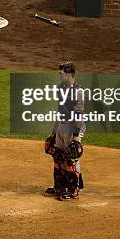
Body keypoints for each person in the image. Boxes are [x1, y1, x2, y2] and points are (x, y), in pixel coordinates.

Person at [45, 61, 85, 201]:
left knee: (71, 158)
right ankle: (60, 187)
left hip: (72, 126)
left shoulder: (78, 91)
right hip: (62, 124)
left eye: (61, 73)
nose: (59, 75)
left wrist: (75, 137)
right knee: (58, 155)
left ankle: (73, 189)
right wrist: (54, 131)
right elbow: (60, 111)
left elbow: (79, 115)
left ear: (69, 74)